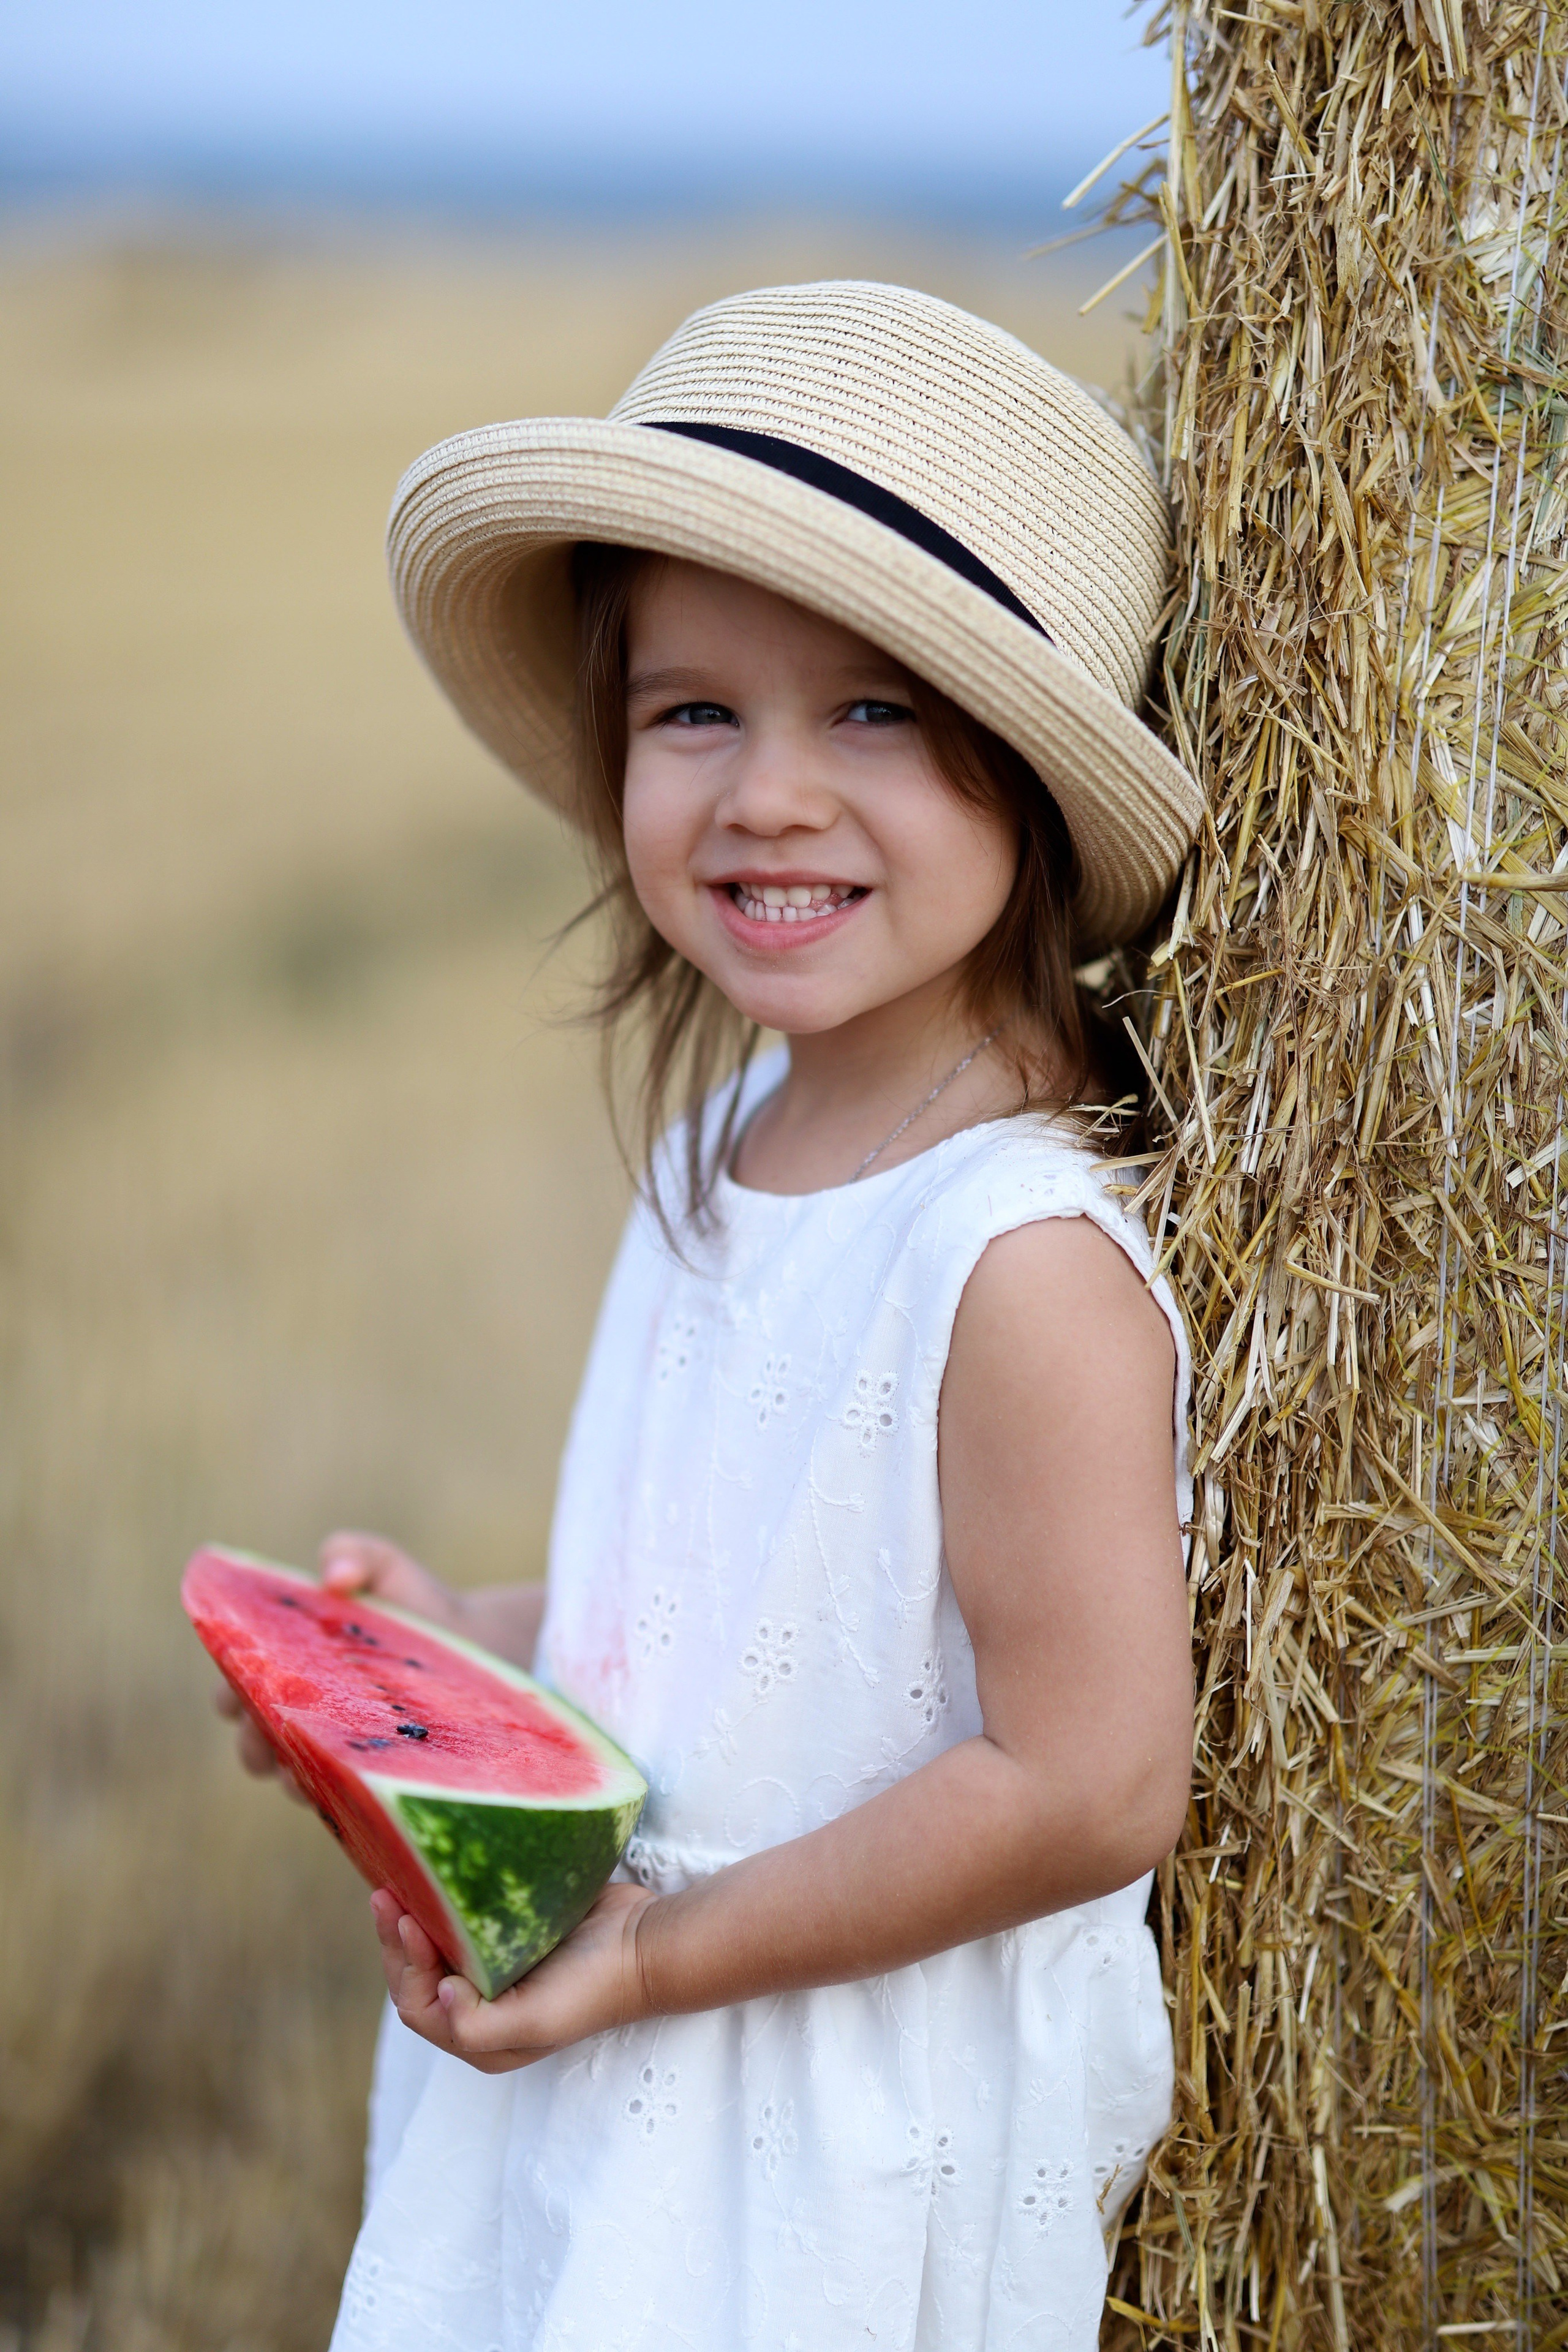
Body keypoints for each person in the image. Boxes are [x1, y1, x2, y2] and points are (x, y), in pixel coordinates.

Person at [217, 280, 1205, 2351]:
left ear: (1028, 775)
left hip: (823, 2127)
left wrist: (668, 1965)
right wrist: (448, 1652)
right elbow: (753, 1614)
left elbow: (1090, 1781)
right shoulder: (742, 1132)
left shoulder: (1015, 1262)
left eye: (871, 712)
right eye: (693, 712)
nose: (765, 794)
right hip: (628, 2028)